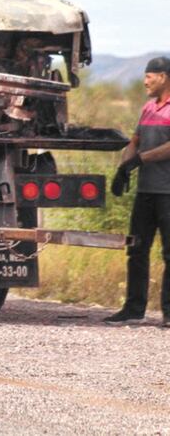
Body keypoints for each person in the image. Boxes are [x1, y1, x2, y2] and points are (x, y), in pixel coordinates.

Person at [106, 56, 170, 326]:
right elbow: (136, 141)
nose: (145, 81)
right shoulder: (148, 108)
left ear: (164, 77)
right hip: (145, 192)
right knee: (136, 250)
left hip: (168, 193)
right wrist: (123, 168)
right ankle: (133, 308)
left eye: (150, 76)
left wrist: (140, 160)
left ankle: (168, 312)